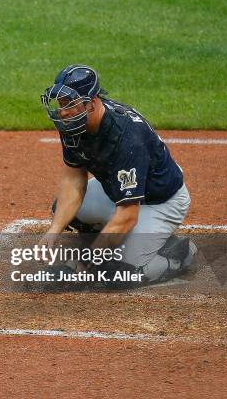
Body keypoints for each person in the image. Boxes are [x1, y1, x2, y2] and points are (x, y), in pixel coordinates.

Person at [40, 64, 196, 287]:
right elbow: (74, 179)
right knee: (63, 211)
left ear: (91, 103)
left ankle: (177, 256)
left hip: (159, 202)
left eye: (70, 104)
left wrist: (85, 265)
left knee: (119, 273)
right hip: (117, 192)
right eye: (61, 104)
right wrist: (54, 230)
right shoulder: (74, 123)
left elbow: (128, 215)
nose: (63, 112)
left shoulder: (127, 138)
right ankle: (122, 241)